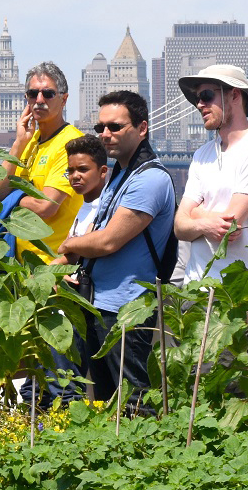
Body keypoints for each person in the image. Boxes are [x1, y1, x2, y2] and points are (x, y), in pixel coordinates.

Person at [64, 90, 176, 402]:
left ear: (142, 128)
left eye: (115, 127)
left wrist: (68, 245)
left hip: (128, 309)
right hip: (101, 306)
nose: (105, 135)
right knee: (105, 401)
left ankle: (144, 452)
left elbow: (109, 240)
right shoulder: (121, 174)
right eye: (100, 128)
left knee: (133, 400)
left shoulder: (150, 179)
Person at [173, 65, 248, 284]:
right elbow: (178, 227)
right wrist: (205, 223)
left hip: (240, 292)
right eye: (197, 99)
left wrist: (195, 214)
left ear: (235, 95)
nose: (199, 105)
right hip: (195, 285)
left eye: (206, 96)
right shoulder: (202, 154)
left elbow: (228, 229)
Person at [0, 63, 83, 264]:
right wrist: (18, 144)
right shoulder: (28, 140)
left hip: (51, 268)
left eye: (48, 94)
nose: (39, 100)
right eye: (33, 94)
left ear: (64, 99)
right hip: (17, 267)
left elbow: (45, 207)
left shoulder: (71, 144)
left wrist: (13, 196)